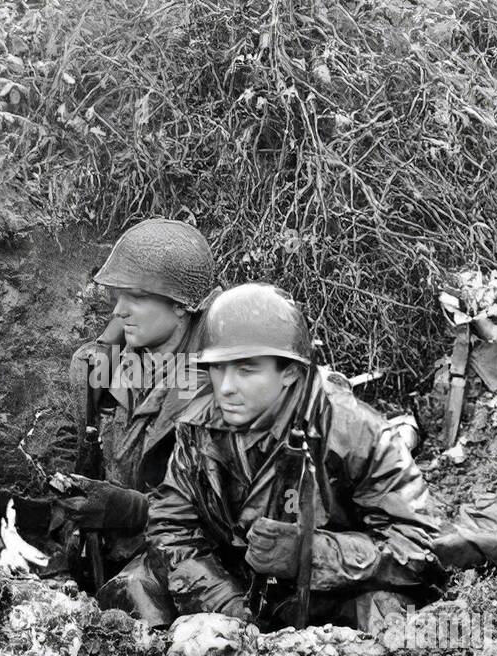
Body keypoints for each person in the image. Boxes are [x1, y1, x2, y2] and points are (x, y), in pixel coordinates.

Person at [139, 283, 445, 628]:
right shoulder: (198, 426)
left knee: (389, 615)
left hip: (331, 600)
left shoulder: (354, 431)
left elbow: (420, 546)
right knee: (136, 588)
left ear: (290, 371)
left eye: (246, 370)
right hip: (239, 592)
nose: (225, 387)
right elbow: (171, 527)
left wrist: (309, 553)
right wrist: (225, 602)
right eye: (218, 368)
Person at [50, 218, 218, 621]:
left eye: (136, 298)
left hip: (189, 569)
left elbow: (229, 519)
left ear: (181, 305)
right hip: (103, 564)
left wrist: (130, 509)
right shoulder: (97, 369)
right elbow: (71, 468)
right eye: (118, 295)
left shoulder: (227, 385)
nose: (118, 310)